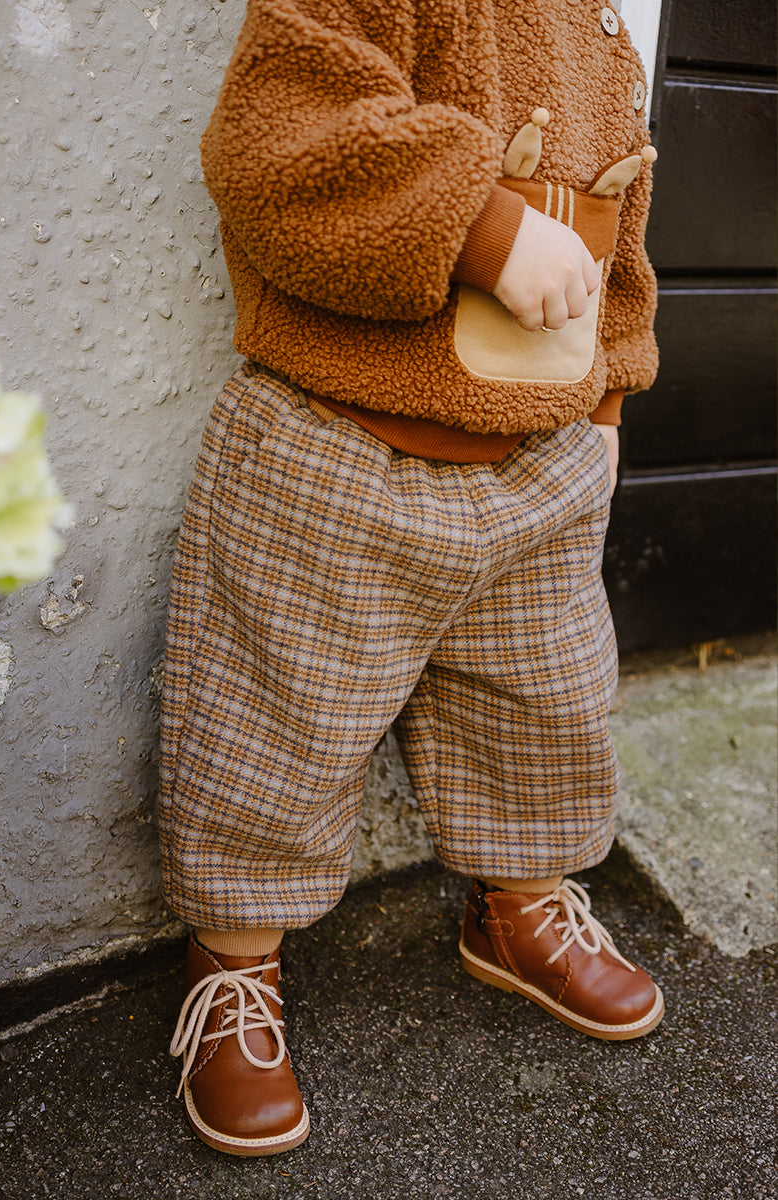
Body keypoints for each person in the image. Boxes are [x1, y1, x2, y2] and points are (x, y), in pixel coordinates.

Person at [160, 0, 663, 1157]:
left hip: (538, 456)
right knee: (276, 720)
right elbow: (280, 137)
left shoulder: (604, 33)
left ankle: (520, 910)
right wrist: (482, 225)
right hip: (340, 443)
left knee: (549, 700)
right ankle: (233, 965)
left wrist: (606, 399)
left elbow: (619, 239)